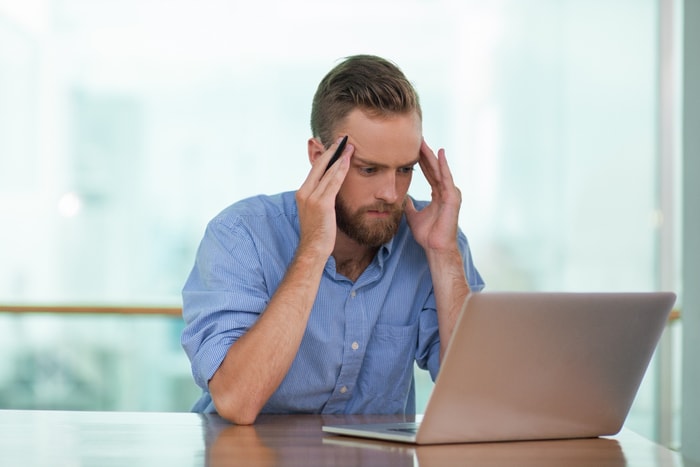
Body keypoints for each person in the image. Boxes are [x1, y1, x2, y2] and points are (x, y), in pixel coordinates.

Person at [181, 54, 485, 425]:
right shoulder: (241, 235)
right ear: (318, 157)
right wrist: (312, 250)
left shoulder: (433, 238)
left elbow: (477, 399)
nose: (391, 193)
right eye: (369, 169)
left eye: (405, 169)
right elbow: (236, 400)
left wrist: (444, 253)